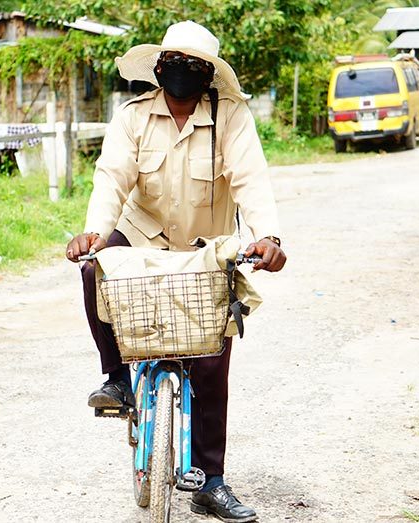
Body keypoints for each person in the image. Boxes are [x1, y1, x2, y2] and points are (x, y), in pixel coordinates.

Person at [65, 20, 286, 522]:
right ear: (157, 68)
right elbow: (112, 178)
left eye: (192, 65)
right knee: (94, 270)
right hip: (141, 235)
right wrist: (94, 233)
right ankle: (118, 378)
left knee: (212, 360)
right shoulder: (133, 117)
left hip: (206, 247)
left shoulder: (231, 117)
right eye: (172, 62)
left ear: (208, 75)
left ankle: (212, 481)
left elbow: (252, 180)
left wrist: (268, 238)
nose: (179, 71)